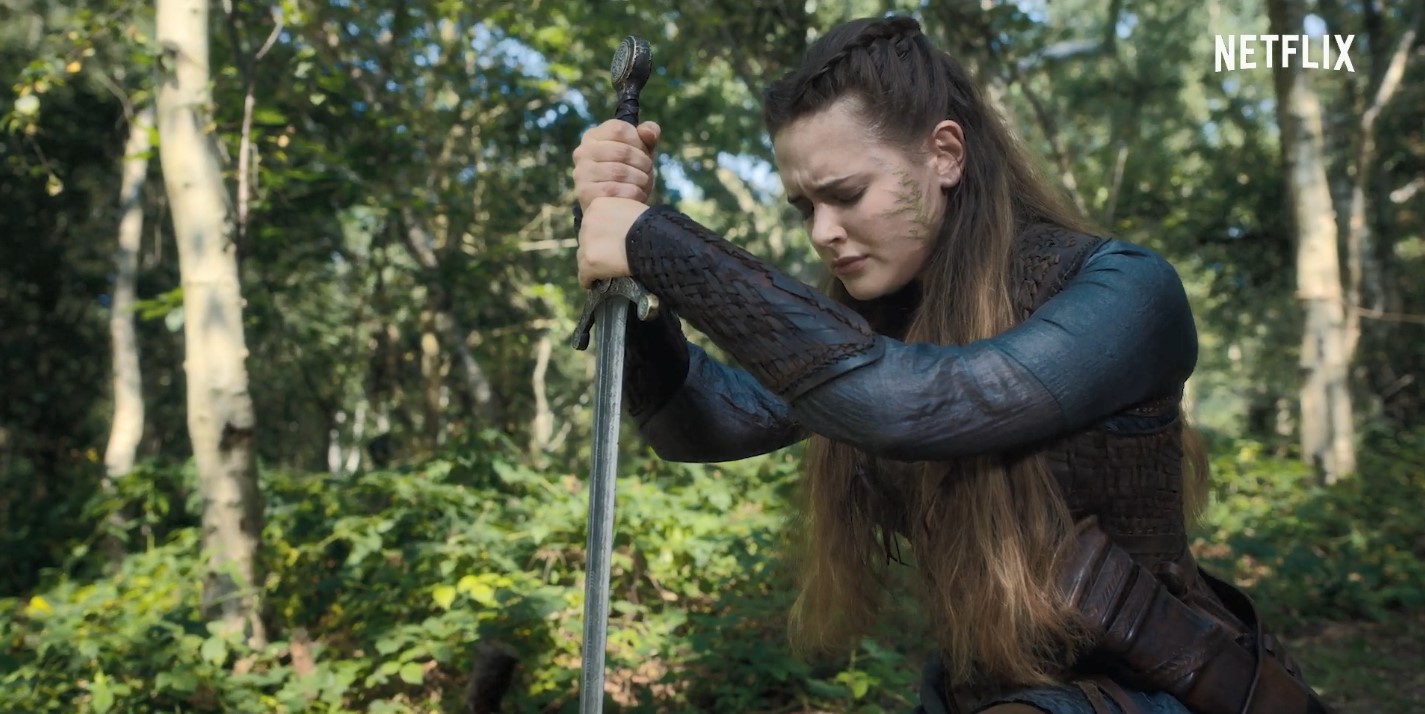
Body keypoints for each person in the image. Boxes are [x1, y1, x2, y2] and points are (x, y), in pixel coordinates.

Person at [571, 15, 1331, 714]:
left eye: (846, 194)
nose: (823, 232)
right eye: (805, 207)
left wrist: (655, 242)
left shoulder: (1127, 290)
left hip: (1154, 692)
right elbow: (700, 423)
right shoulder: (884, 318)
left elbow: (915, 404)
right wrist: (628, 279)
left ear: (944, 153)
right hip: (979, 690)